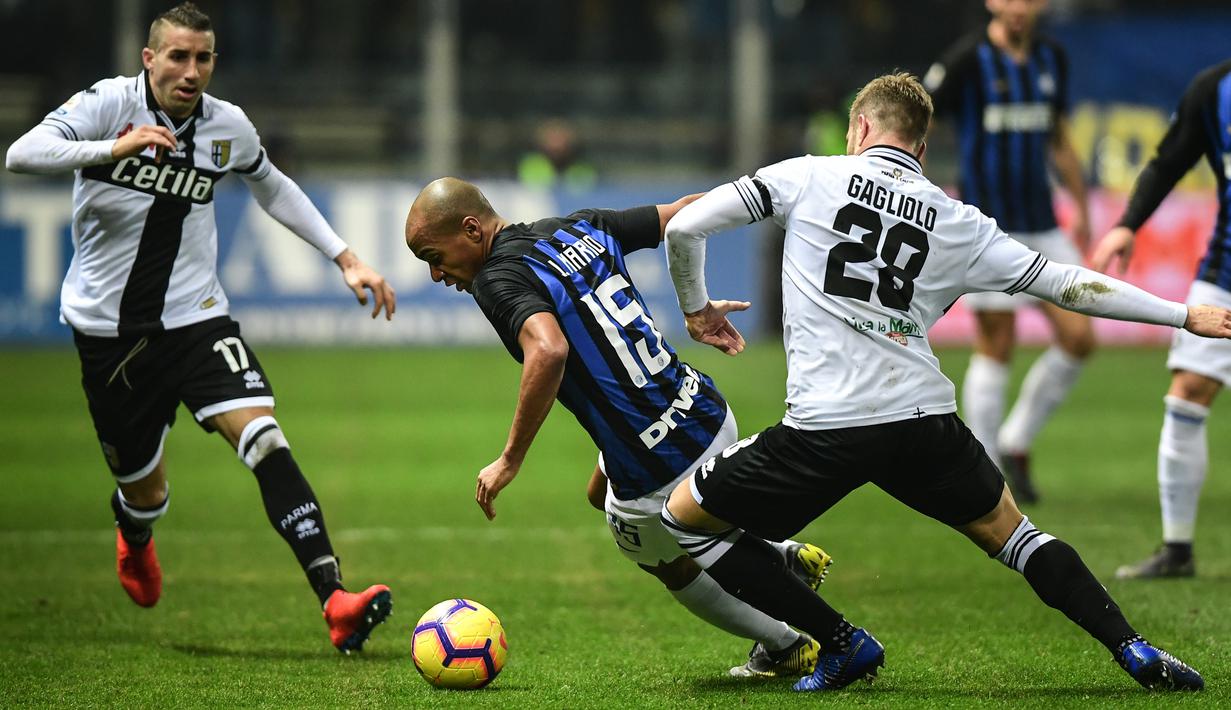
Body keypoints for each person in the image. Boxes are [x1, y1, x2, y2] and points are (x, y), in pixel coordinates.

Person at [656, 72, 1218, 692]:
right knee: (1015, 535)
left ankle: (840, 642)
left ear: (860, 128)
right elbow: (1068, 284)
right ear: (922, 149)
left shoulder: (807, 176)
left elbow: (685, 227)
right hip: (923, 420)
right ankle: (1133, 648)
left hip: (825, 428)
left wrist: (696, 307)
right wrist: (1182, 314)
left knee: (681, 520)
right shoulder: (959, 222)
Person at [5, 2, 396, 653]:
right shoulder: (107, 103)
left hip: (198, 320)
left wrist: (345, 256)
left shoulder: (226, 126)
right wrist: (112, 148)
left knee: (265, 438)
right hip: (112, 337)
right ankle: (134, 531)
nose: (191, 71)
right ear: (148, 58)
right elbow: (23, 153)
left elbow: (270, 184)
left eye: (203, 58)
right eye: (178, 56)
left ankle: (334, 599)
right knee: (146, 490)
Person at [403, 177, 832, 678]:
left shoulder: (496, 280)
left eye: (433, 255)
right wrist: (769, 216)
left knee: (666, 559)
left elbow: (548, 350)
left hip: (657, 457)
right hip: (704, 408)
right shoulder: (578, 225)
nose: (435, 274)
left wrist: (510, 458)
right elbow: (688, 212)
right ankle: (777, 553)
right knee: (596, 492)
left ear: (472, 229)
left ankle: (783, 643)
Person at [924, 0, 1093, 503]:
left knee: (1079, 336)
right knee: (997, 341)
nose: (1018, 7)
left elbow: (1059, 136)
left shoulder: (1050, 57)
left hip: (1042, 222)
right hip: (986, 229)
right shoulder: (966, 59)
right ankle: (988, 466)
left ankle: (1016, 439)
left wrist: (1081, 205)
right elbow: (921, 124)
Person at [1091, 59, 1231, 579]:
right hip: (1226, 270)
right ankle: (1178, 549)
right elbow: (1169, 161)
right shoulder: (1213, 91)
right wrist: (1127, 224)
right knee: (1187, 392)